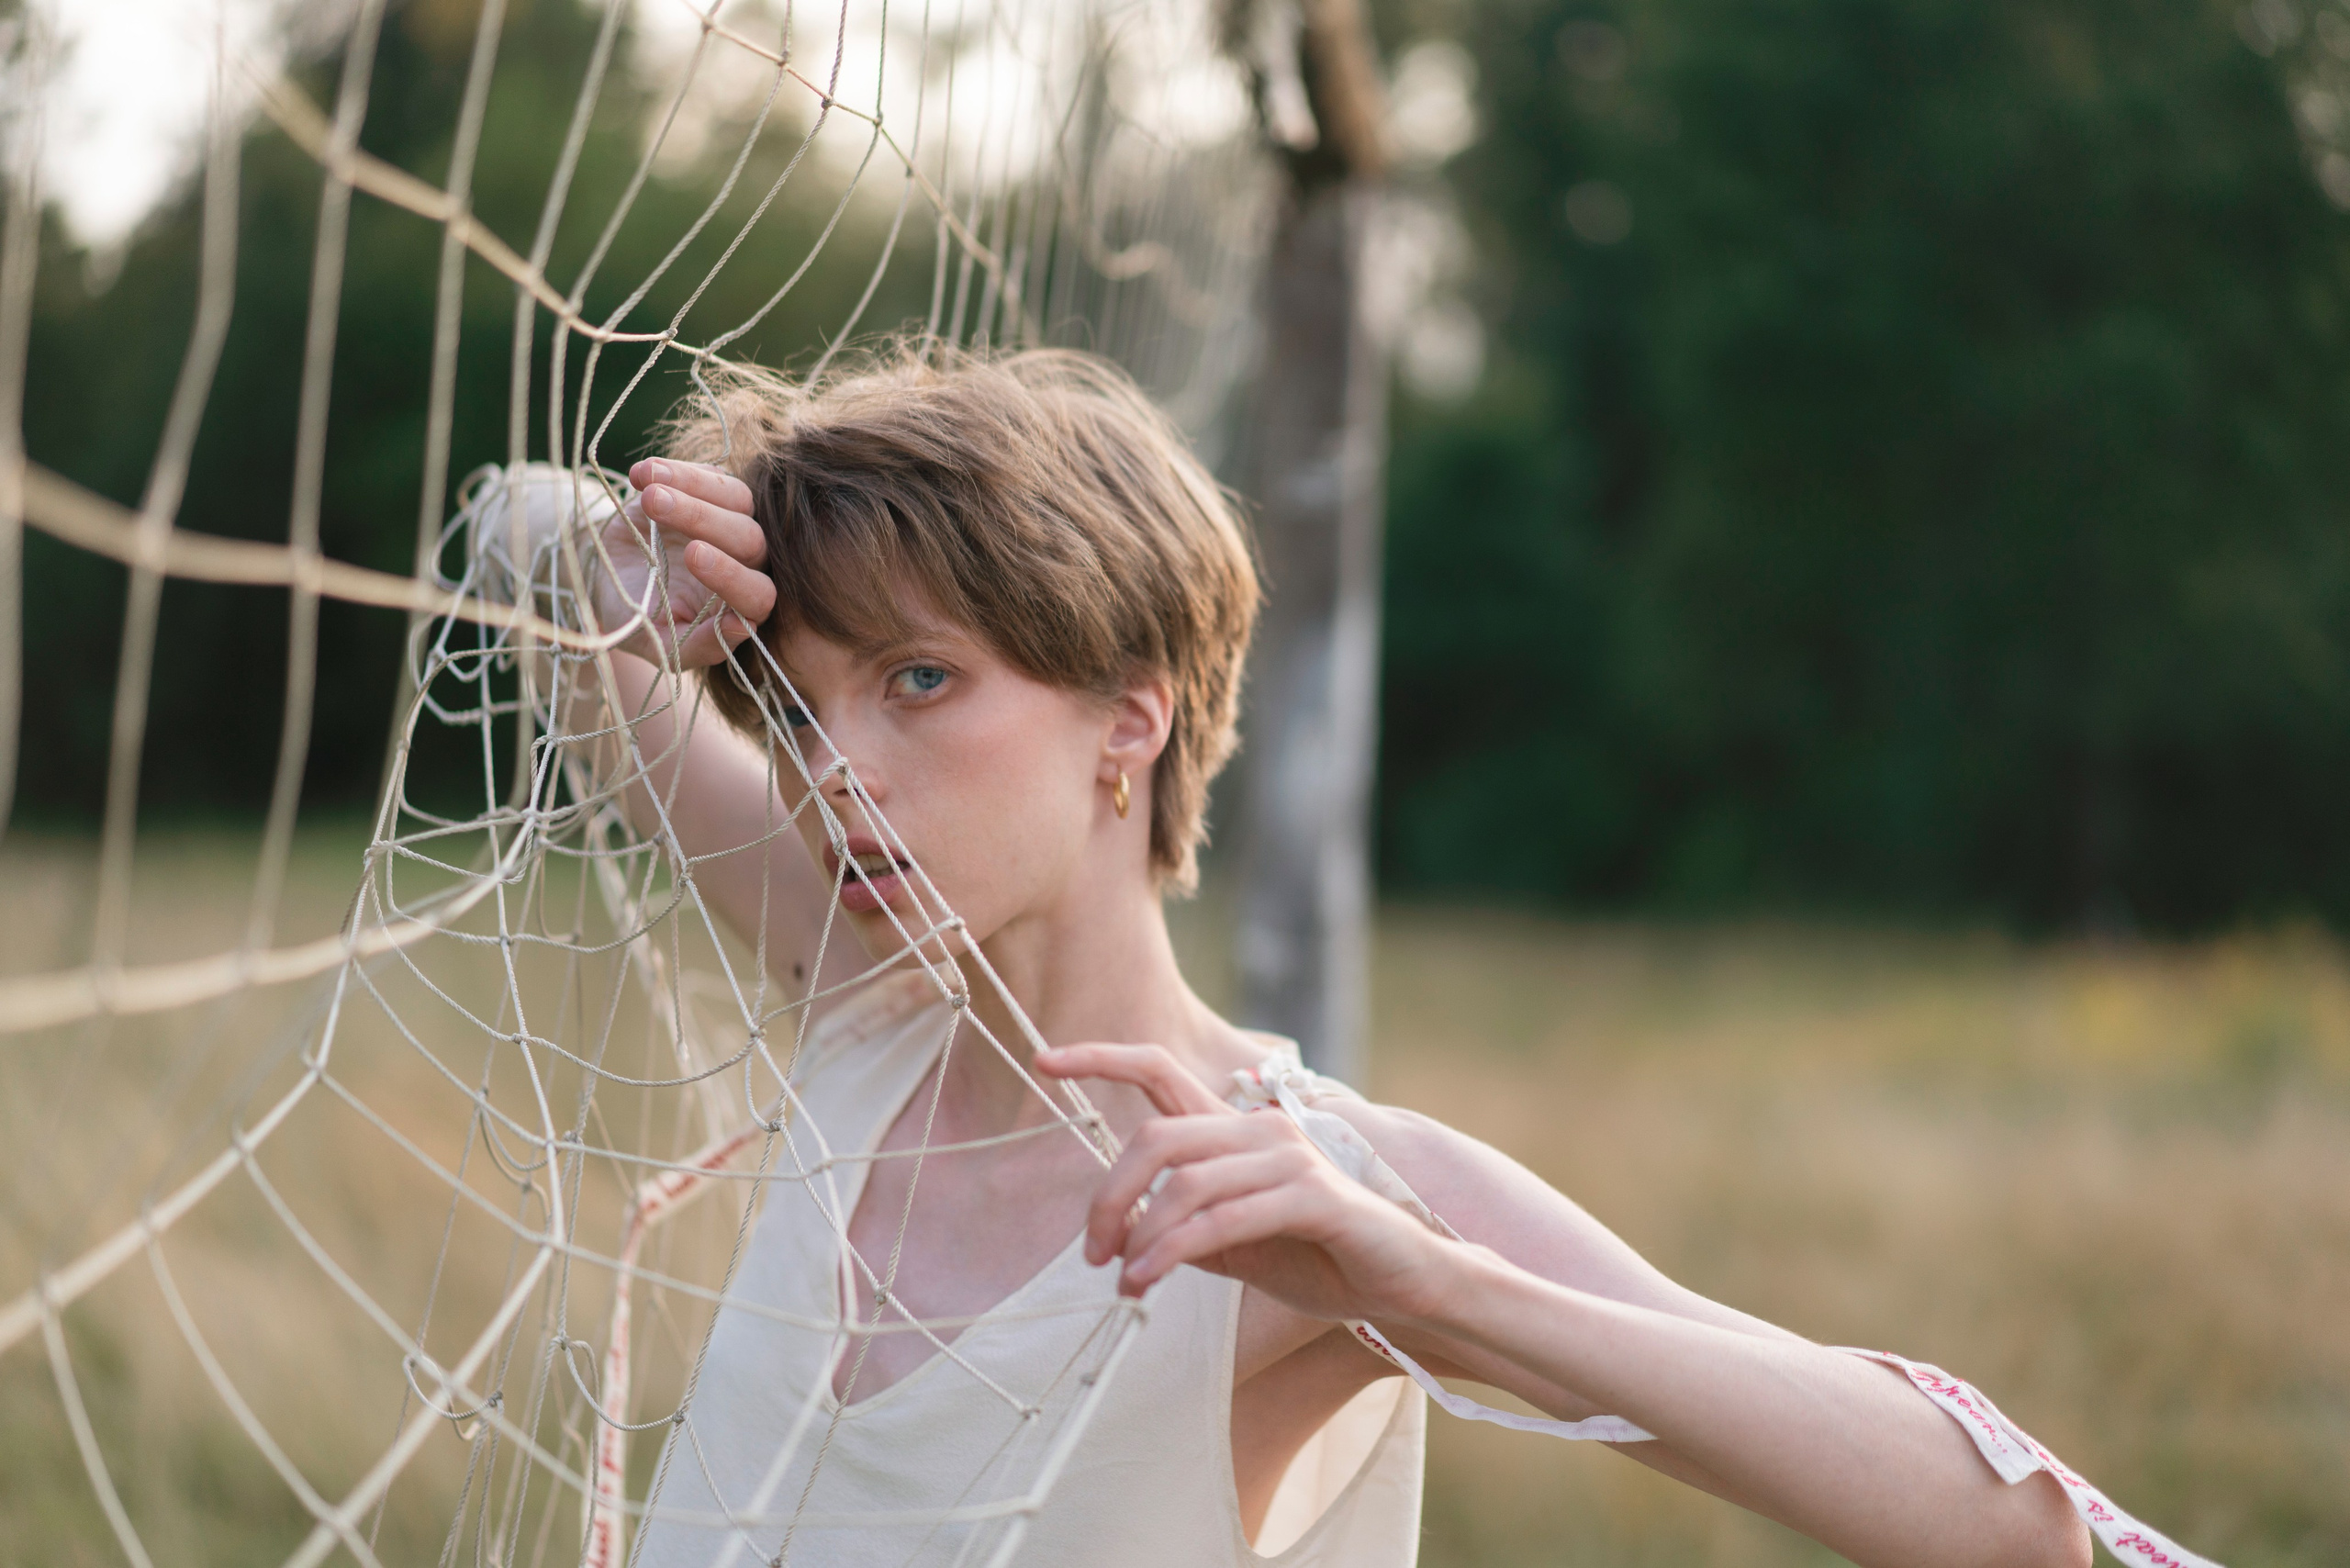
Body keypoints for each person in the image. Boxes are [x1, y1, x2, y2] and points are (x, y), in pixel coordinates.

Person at [541, 342, 2106, 1568]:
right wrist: (623, 568)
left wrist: (1432, 1286)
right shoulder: (867, 989)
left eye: (923, 680)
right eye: (800, 708)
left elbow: (2004, 1530)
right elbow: (524, 542)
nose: (833, 771)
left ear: (1129, 722)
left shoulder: (1321, 1196)